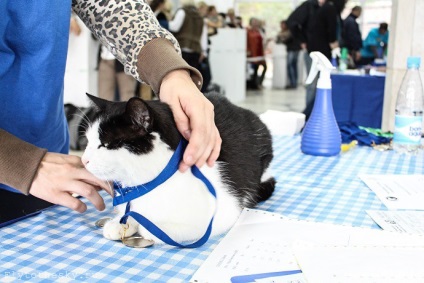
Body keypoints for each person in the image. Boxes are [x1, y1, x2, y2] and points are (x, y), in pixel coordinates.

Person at [0, 0, 221, 219]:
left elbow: (115, 8)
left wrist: (170, 71)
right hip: (20, 164)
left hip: (51, 163)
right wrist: (19, 162)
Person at [302, 0, 347, 121]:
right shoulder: (330, 9)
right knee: (314, 85)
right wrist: (334, 44)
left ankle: (309, 113)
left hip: (318, 51)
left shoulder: (326, 9)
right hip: (320, 53)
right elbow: (331, 30)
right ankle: (308, 114)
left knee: (315, 85)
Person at [276, 20, 302, 89]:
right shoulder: (294, 30)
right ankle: (294, 83)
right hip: (295, 49)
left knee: (290, 65)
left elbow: (284, 40)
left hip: (293, 49)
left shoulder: (290, 31)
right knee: (293, 66)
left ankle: (293, 83)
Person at [246, 17, 267, 90]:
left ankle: (258, 83)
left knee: (263, 67)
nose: (255, 23)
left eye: (256, 22)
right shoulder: (248, 31)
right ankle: (253, 84)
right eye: (254, 22)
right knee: (254, 68)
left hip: (259, 52)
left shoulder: (259, 31)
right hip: (252, 52)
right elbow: (246, 41)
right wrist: (248, 50)